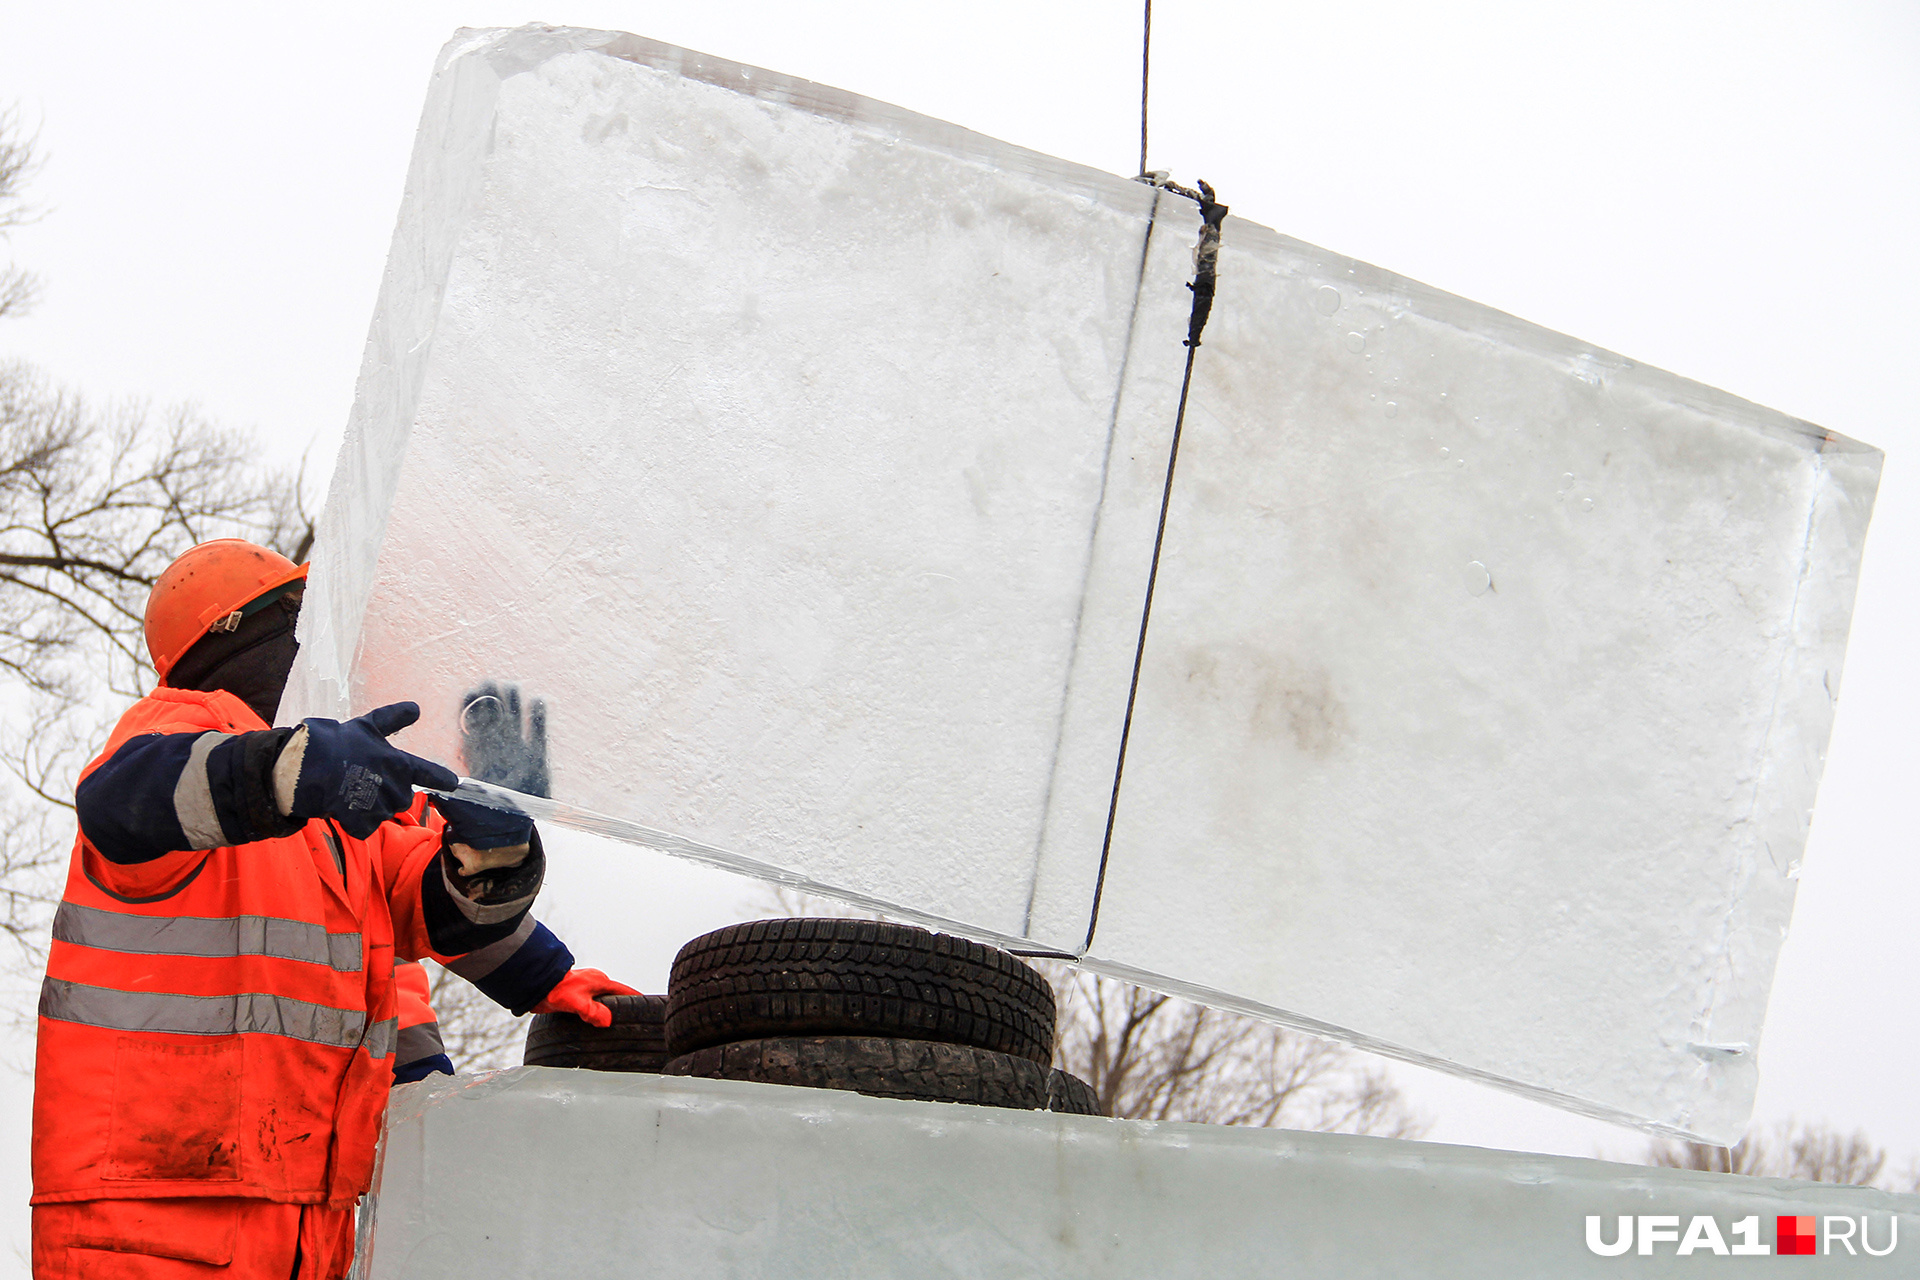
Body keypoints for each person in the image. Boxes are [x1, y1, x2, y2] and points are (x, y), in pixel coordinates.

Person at [30, 539, 635, 1278]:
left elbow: (437, 906)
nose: (328, 645)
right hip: (152, 1218)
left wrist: (495, 840)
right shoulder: (173, 735)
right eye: (303, 622)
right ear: (243, 637)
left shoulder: (335, 814)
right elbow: (123, 802)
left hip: (304, 1220)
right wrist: (288, 770)